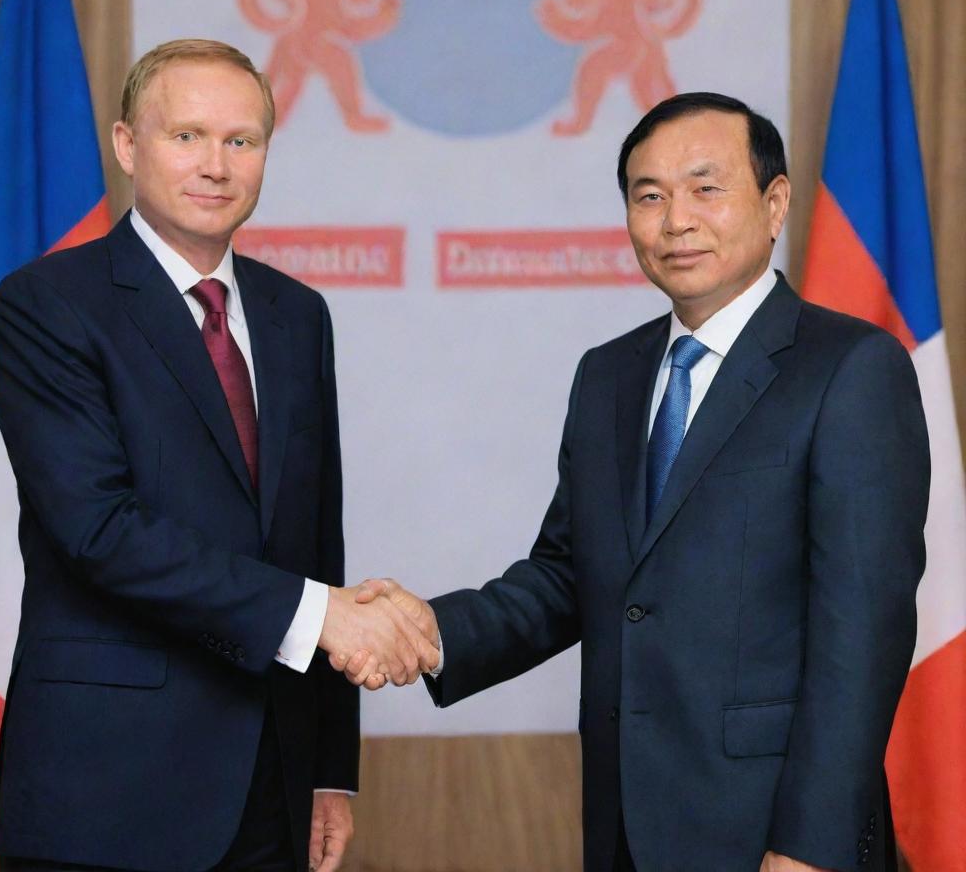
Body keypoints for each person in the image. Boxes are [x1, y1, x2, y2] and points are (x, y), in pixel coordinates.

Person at [349, 93, 930, 872]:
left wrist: (810, 845)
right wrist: (432, 633)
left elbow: (862, 633)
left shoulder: (851, 370)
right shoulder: (609, 376)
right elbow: (569, 576)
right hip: (627, 825)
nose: (676, 219)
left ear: (775, 202)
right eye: (648, 196)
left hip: (776, 836)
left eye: (705, 188)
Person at [0, 39, 438, 872]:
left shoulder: (296, 314)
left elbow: (315, 544)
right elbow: (100, 531)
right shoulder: (46, 305)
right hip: (107, 791)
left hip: (271, 781)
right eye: (186, 135)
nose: (216, 165)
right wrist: (321, 617)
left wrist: (331, 770)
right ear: (128, 146)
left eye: (242, 140)